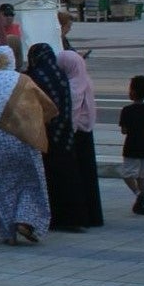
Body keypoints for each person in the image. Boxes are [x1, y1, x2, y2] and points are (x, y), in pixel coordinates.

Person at [0, 45, 55, 246]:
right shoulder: (24, 81)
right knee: (31, 182)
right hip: (24, 140)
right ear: (12, 59)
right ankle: (25, 221)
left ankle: (8, 232)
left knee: (3, 186)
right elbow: (45, 106)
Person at [26, 41, 86, 233]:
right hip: (65, 135)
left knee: (50, 175)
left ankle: (54, 217)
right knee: (67, 175)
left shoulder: (36, 76)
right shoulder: (60, 75)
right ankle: (72, 217)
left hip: (47, 134)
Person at [57, 47, 104, 229]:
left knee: (77, 175)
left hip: (76, 134)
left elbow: (72, 113)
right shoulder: (85, 80)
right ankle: (93, 216)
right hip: (87, 131)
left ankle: (81, 216)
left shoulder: (72, 86)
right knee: (88, 177)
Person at [119, 74, 144, 216]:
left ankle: (138, 194)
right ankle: (141, 203)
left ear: (133, 92)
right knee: (142, 176)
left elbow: (124, 130)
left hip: (131, 146)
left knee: (127, 173)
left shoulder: (127, 110)